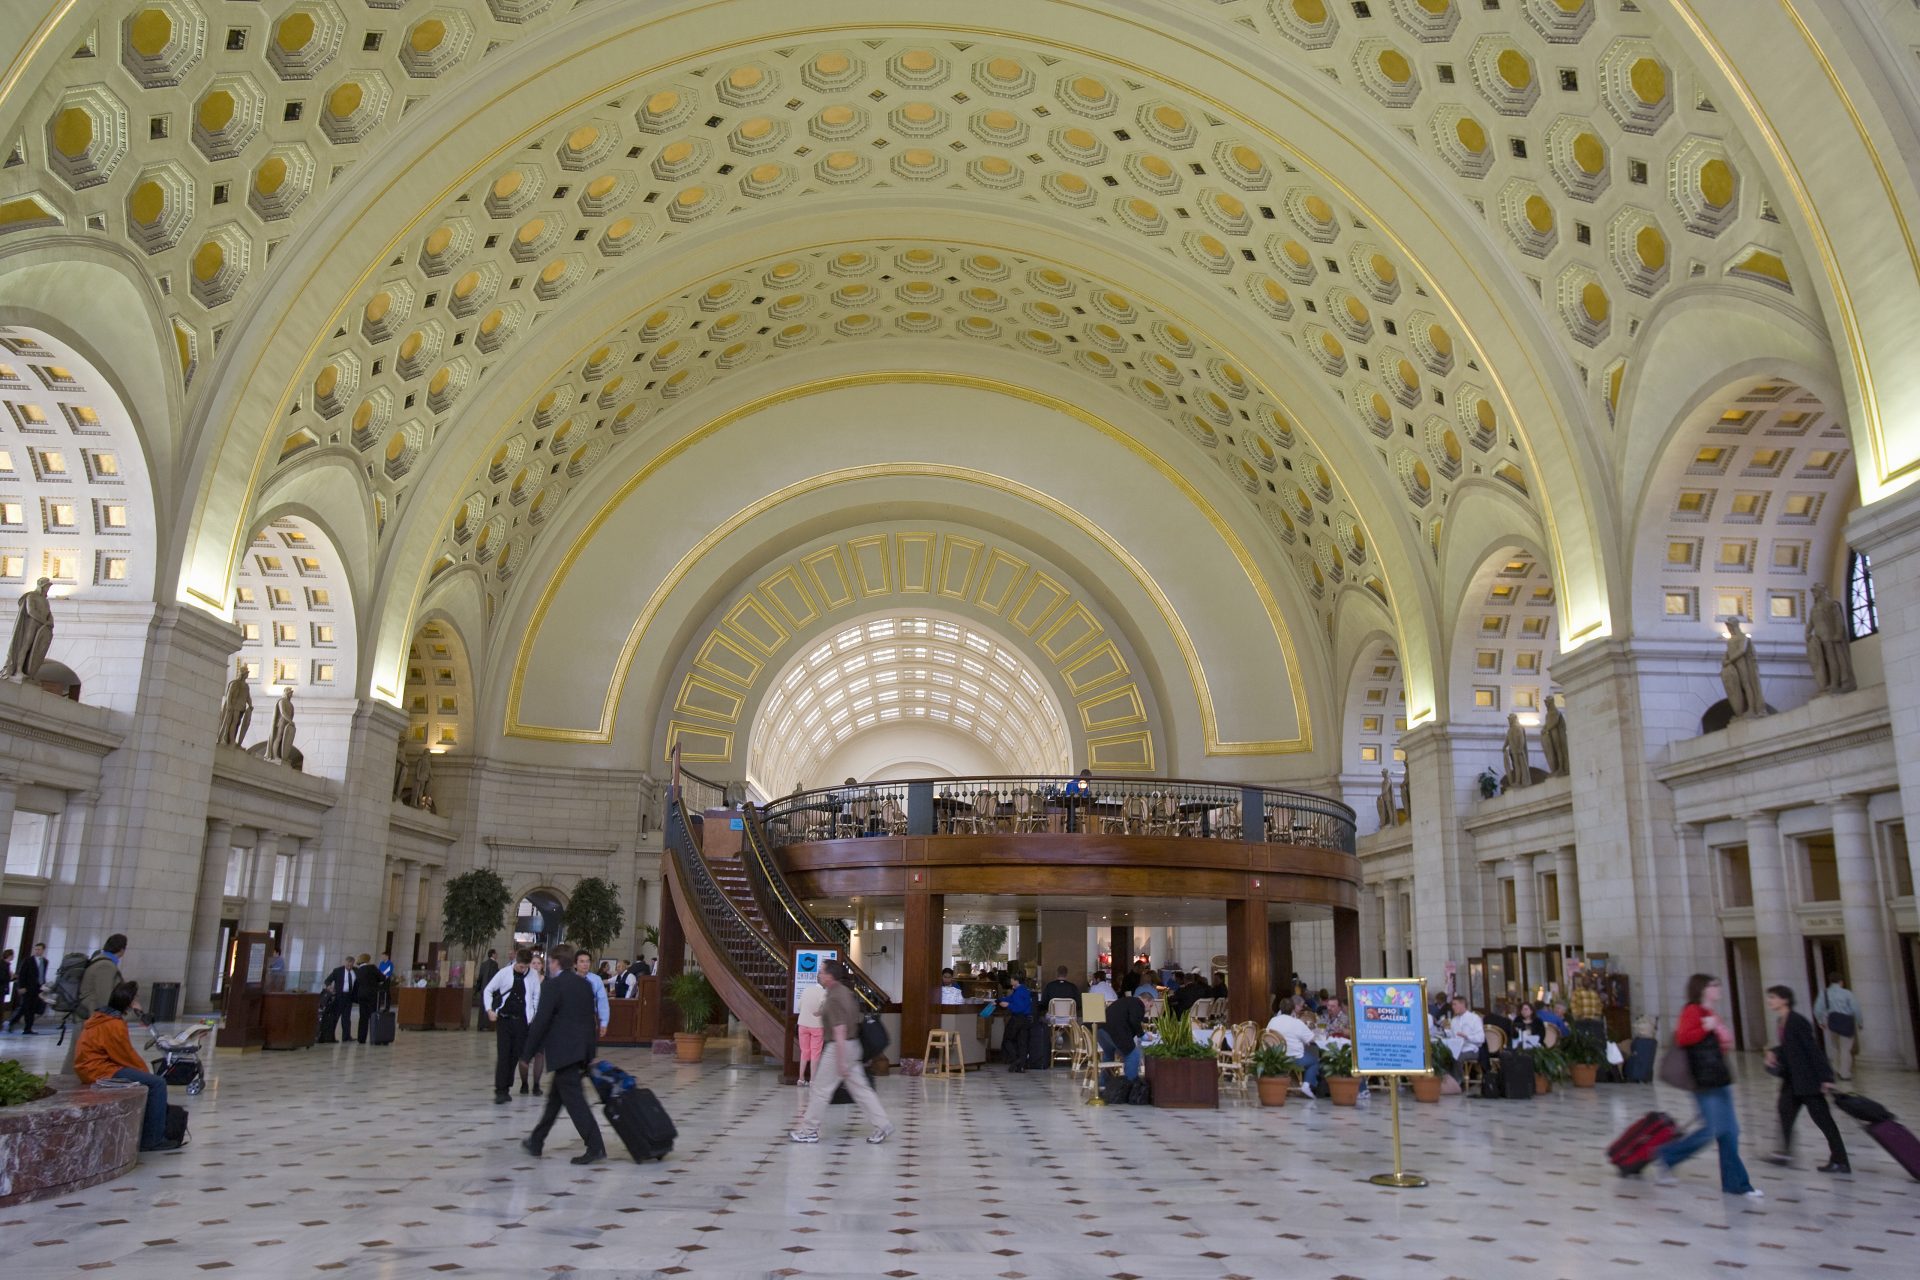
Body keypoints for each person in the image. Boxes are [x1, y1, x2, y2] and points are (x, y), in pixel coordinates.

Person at [1653, 973, 1761, 1197]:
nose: (1718, 988)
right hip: (1703, 1079)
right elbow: (1684, 1038)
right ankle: (1667, 1155)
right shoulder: (1692, 1010)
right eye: (1714, 985)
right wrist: (1706, 1027)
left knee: (1730, 1131)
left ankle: (1737, 1184)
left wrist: (1716, 1030)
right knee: (1712, 1129)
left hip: (1719, 1077)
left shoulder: (1710, 1012)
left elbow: (1721, 1044)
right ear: (1702, 988)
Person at [519, 944, 607, 1164]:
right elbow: (590, 1021)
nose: (548, 966)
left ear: (556, 962)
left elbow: (541, 1022)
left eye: (550, 962)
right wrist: (590, 1052)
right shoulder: (584, 985)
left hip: (564, 1052)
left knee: (575, 1102)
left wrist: (526, 1054)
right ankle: (536, 1141)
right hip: (579, 1051)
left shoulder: (552, 986)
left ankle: (595, 1146)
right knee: (555, 1099)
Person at [73, 981, 183, 1153]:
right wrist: (144, 1072)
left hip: (91, 1066)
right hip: (99, 1070)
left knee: (151, 1081)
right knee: (157, 1083)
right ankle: (152, 1139)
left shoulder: (102, 1016)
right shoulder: (114, 1024)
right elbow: (124, 1056)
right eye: (136, 998)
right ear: (129, 1001)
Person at [791, 959, 892, 1144]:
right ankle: (883, 1124)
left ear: (829, 976)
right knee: (861, 1090)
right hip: (853, 1046)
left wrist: (840, 1061)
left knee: (820, 1089)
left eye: (821, 972)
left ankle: (809, 1130)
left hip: (839, 1047)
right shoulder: (844, 992)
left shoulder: (835, 997)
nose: (819, 975)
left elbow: (839, 1029)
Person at [1762, 985, 1848, 1174]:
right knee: (1784, 1112)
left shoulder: (1797, 1021)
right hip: (1792, 1080)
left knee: (1824, 1121)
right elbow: (1789, 1049)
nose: (1770, 1001)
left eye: (1773, 997)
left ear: (1785, 1000)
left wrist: (1826, 1077)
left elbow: (1812, 1050)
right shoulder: (1781, 1022)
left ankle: (1841, 1160)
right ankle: (1783, 1154)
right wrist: (1773, 1052)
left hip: (1808, 1081)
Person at [64, 934, 131, 1073]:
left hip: (90, 1017)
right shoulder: (106, 966)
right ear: (122, 950)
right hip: (91, 1018)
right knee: (78, 1057)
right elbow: (104, 997)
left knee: (79, 1055)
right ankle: (67, 1085)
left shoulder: (101, 961)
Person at [483, 948, 541, 1105]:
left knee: (515, 1055)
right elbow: (488, 990)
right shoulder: (504, 973)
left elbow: (536, 995)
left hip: (522, 1021)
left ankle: (507, 1086)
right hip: (504, 1020)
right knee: (503, 1054)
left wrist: (533, 1013)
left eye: (526, 967)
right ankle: (500, 1090)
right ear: (516, 961)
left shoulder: (533, 975)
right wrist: (489, 1010)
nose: (523, 969)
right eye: (521, 966)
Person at [1266, 996, 1320, 1098]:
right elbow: (1311, 1039)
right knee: (1314, 1061)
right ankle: (1307, 1085)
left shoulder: (1272, 1021)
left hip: (1276, 1057)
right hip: (1294, 1058)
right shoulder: (1296, 1023)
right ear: (1293, 1009)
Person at [1812, 974, 1859, 1081]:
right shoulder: (1847, 993)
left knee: (1835, 1047)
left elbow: (1817, 1009)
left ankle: (1836, 1069)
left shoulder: (1824, 993)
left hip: (1832, 1022)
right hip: (1846, 1022)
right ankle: (1845, 1073)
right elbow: (1856, 1008)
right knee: (1845, 1048)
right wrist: (1859, 1022)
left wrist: (1820, 1021)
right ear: (1841, 982)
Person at [1101, 980, 1148, 1081]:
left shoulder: (1126, 1001)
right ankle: (1130, 1086)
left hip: (1101, 1029)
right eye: (1150, 1005)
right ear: (1146, 1001)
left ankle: (1103, 1084)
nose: (1148, 1009)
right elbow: (1134, 1020)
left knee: (1108, 1055)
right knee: (1133, 1055)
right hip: (1114, 1030)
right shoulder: (1138, 1004)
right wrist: (1142, 1035)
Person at [6, 941, 47, 1034]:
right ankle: (13, 1021)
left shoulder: (45, 961)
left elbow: (42, 975)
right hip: (27, 988)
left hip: (38, 989)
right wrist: (21, 987)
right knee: (24, 1007)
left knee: (32, 1008)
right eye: (36, 949)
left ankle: (28, 1028)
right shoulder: (28, 960)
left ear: (43, 950)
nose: (37, 951)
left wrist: (43, 985)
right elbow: (22, 974)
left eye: (39, 949)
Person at [796, 974, 828, 1087]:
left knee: (804, 1051)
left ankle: (801, 1078)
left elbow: (799, 1006)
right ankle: (813, 1080)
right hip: (817, 1026)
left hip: (803, 1024)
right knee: (815, 1053)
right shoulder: (824, 993)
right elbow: (825, 1009)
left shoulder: (806, 990)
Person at [1440, 997, 1483, 1081]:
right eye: (1452, 1005)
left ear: (1462, 1004)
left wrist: (1467, 1037)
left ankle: (1458, 1081)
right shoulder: (1454, 1020)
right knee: (1443, 1056)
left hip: (1471, 1048)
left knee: (1457, 1057)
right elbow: (1452, 1037)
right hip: (1457, 1048)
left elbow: (1481, 1038)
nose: (1453, 1007)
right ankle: (1446, 1081)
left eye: (1455, 1004)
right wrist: (1446, 1033)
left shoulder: (1474, 1018)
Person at [998, 972, 1034, 1071]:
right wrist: (1001, 999)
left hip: (1017, 1019)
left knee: (1007, 1040)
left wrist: (1007, 1005)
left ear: (1016, 980)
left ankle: (1016, 1059)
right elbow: (1012, 999)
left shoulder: (1018, 992)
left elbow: (1018, 1007)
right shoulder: (1024, 990)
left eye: (1011, 979)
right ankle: (1022, 1065)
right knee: (1022, 1042)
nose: (1010, 981)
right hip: (1026, 1019)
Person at [573, 948, 610, 1039]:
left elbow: (602, 1001)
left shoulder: (596, 979)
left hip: (589, 1018)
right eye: (582, 961)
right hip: (571, 1018)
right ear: (575, 964)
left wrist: (604, 1022)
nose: (585, 964)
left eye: (587, 961)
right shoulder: (570, 979)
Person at [320, 956, 359, 1042]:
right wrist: (329, 987)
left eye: (351, 963)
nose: (349, 965)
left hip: (349, 997)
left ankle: (346, 1037)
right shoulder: (338, 971)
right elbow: (327, 980)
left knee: (346, 1018)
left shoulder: (356, 971)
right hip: (339, 997)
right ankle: (330, 1037)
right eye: (348, 962)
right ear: (345, 962)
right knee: (335, 1017)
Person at [353, 953, 382, 1044]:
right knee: (373, 1016)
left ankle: (361, 1038)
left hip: (362, 995)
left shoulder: (358, 970)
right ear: (368, 960)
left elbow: (357, 983)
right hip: (372, 995)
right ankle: (374, 1037)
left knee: (363, 1017)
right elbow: (382, 978)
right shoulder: (372, 968)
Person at [473, 949, 501, 1032]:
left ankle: (480, 1025)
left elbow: (480, 977)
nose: (497, 955)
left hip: (483, 989)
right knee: (489, 1007)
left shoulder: (483, 964)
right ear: (493, 954)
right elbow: (495, 978)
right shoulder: (494, 964)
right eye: (496, 954)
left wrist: (477, 989)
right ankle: (487, 1025)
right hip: (491, 990)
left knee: (482, 1007)